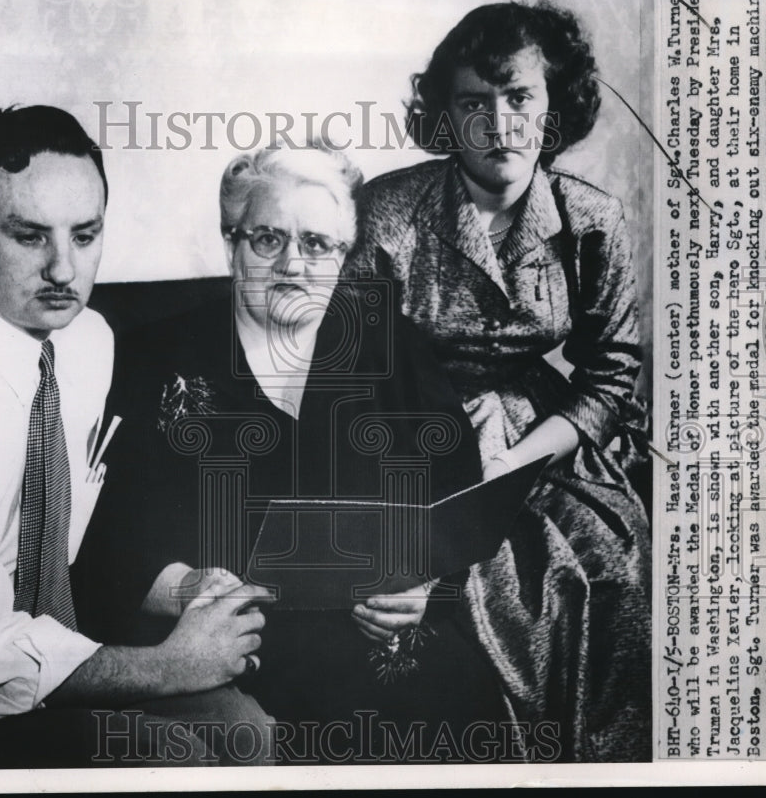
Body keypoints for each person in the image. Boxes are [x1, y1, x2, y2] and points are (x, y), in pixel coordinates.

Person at [0, 105, 273, 769]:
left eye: (85, 234)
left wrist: (191, 587)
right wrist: (171, 665)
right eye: (29, 236)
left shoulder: (90, 342)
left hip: (45, 639)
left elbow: (88, 541)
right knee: (166, 757)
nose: (63, 268)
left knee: (247, 730)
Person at [72, 142, 517, 764]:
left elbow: (456, 501)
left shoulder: (390, 341)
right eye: (267, 239)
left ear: (344, 254)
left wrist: (424, 590)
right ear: (231, 242)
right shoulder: (155, 356)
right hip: (234, 646)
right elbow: (102, 547)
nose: (292, 264)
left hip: (381, 637)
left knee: (462, 706)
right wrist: (189, 590)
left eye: (316, 243)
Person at [345, 1, 651, 761]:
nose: (500, 124)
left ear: (553, 107)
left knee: (608, 563)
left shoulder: (590, 221)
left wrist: (522, 455)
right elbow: (348, 374)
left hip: (546, 437)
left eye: (519, 98)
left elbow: (612, 372)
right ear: (445, 116)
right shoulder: (387, 210)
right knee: (478, 577)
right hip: (413, 429)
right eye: (473, 103)